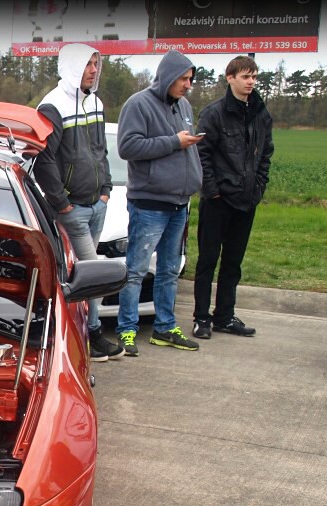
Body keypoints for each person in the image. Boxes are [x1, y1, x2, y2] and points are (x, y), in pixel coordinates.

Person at [34, 43, 123, 362]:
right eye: (88, 64)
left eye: (97, 64)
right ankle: (93, 335)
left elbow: (101, 151)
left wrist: (106, 190)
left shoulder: (95, 102)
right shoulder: (52, 105)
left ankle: (78, 334)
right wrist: (63, 203)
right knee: (92, 273)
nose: (94, 70)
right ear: (72, 66)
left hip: (97, 204)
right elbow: (44, 161)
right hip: (72, 209)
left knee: (84, 274)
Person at [115, 49, 204, 356]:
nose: (188, 85)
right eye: (183, 79)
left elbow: (184, 146)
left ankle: (165, 328)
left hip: (180, 203)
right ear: (168, 76)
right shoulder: (138, 104)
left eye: (190, 79)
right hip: (149, 203)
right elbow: (128, 147)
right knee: (136, 270)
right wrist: (174, 142)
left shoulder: (184, 106)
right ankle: (126, 330)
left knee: (169, 270)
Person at [191, 55, 273, 340]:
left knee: (233, 263)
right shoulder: (213, 113)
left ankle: (224, 316)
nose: (251, 82)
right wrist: (212, 191)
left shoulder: (261, 114)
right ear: (230, 78)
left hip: (247, 200)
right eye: (245, 76)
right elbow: (202, 154)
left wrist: (259, 187)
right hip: (218, 200)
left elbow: (266, 153)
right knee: (208, 260)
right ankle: (201, 318)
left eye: (254, 77)